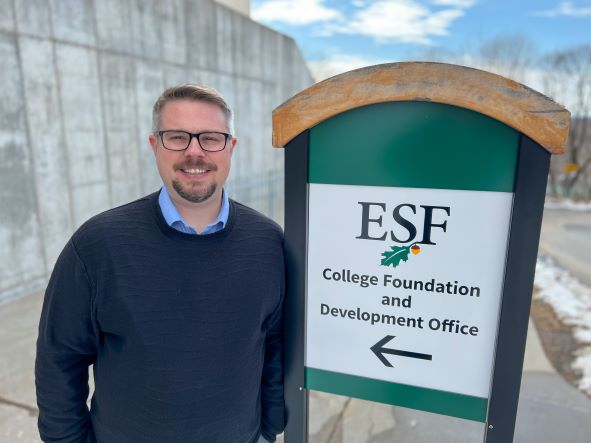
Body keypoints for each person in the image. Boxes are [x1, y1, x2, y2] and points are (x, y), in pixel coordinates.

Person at [35, 84, 285, 442]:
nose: (194, 152)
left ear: (231, 147)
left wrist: (269, 426)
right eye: (177, 137)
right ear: (155, 145)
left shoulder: (268, 243)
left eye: (211, 138)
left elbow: (275, 345)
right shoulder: (97, 245)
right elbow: (59, 358)